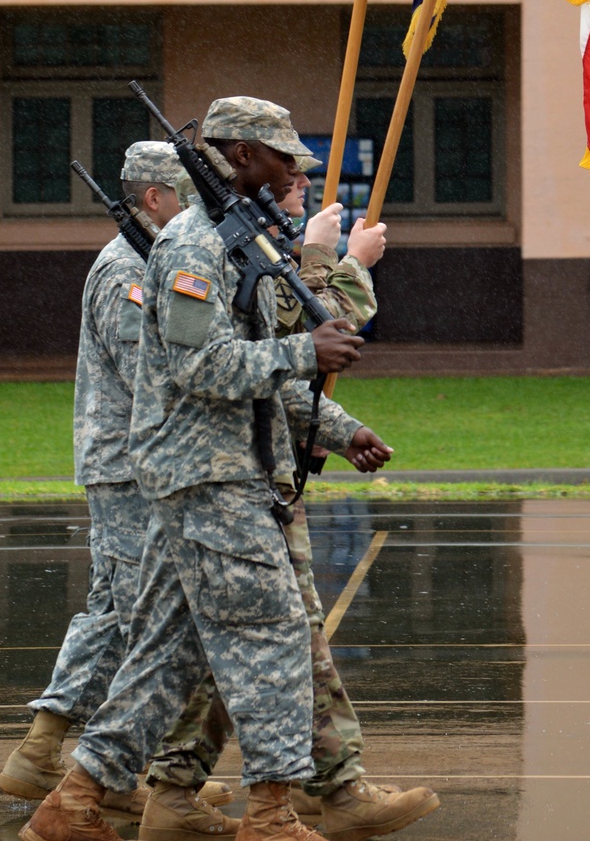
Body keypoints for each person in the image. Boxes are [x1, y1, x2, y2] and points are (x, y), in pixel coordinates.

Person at [21, 97, 368, 841]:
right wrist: (306, 352)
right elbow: (197, 366)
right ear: (241, 156)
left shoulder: (228, 238)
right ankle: (273, 813)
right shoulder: (188, 247)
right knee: (273, 631)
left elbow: (250, 357)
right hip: (206, 474)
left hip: (217, 470)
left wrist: (332, 420)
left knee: (167, 654)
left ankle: (74, 800)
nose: (291, 173)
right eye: (282, 159)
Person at [152, 165, 440, 841]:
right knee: (271, 641)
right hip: (223, 483)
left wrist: (340, 432)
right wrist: (345, 265)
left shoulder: (242, 252)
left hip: (258, 475)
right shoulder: (211, 255)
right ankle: (303, 796)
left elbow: (279, 372)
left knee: (258, 644)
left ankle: (185, 789)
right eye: (292, 181)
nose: (303, 187)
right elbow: (302, 337)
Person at [0, 142, 234, 833]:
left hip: (135, 463)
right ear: (154, 199)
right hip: (131, 466)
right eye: (186, 198)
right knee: (144, 619)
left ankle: (45, 750)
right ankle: (131, 773)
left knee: (114, 609)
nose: (199, 214)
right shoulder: (127, 272)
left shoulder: (150, 262)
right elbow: (150, 377)